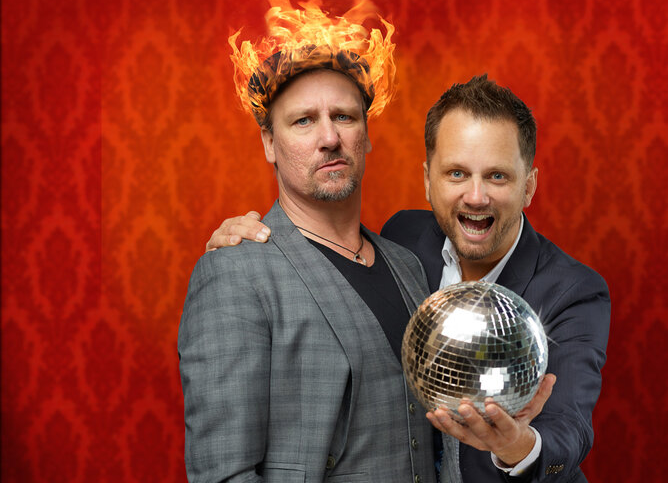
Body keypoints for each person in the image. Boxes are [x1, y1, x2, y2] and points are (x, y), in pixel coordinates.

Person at [179, 0, 554, 482]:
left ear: (366, 134)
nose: (329, 138)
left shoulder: (407, 262)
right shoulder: (234, 275)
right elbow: (223, 473)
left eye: (344, 116)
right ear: (270, 143)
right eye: (303, 121)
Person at [208, 75, 610, 482]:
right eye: (456, 173)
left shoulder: (575, 291)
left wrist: (518, 447)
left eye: (497, 176)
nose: (476, 197)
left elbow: (569, 430)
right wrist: (246, 246)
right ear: (428, 181)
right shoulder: (402, 241)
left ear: (529, 186)